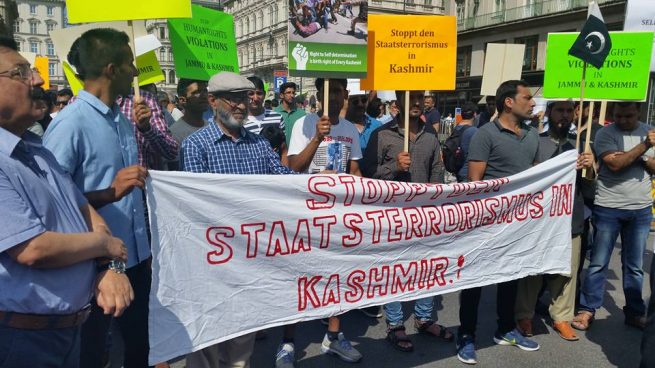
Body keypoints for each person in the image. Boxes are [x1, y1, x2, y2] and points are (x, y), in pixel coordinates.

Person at [0, 35, 132, 368]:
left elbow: (82, 209)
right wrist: (105, 244)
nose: (39, 80)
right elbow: (34, 249)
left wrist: (106, 266)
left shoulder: (36, 148)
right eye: (20, 73)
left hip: (67, 332)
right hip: (21, 341)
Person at [43, 28, 153, 368]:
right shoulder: (70, 124)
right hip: (93, 267)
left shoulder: (121, 119)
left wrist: (141, 249)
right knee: (92, 353)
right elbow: (49, 203)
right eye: (130, 64)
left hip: (133, 261)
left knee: (140, 347)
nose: (136, 72)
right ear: (111, 69)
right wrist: (111, 192)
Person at [181, 71, 295, 368]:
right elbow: (197, 206)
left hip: (249, 261)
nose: (242, 105)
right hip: (212, 261)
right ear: (213, 101)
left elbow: (284, 181)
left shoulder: (258, 145)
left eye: (244, 97)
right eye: (233, 98)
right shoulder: (196, 146)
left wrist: (322, 185)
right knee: (206, 345)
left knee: (240, 347)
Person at [456, 80, 541, 365]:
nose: (532, 103)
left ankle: (505, 329)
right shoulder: (485, 134)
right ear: (508, 102)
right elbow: (474, 182)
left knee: (511, 276)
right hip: (487, 223)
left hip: (517, 223)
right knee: (475, 281)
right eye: (527, 97)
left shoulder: (532, 135)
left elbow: (538, 173)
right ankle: (466, 335)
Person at [362, 90, 450, 352]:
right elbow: (367, 176)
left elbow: (437, 172)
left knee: (428, 266)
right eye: (409, 98)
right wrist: (394, 169)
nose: (416, 103)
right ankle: (395, 324)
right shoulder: (382, 135)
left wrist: (438, 206)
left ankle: (424, 318)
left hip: (425, 215)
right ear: (396, 103)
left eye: (419, 98)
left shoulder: (431, 135)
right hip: (392, 216)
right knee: (394, 270)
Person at [286, 78, 363, 364]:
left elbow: (354, 171)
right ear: (319, 94)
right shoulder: (303, 125)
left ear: (344, 96)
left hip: (339, 215)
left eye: (339, 92)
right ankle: (288, 342)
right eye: (328, 91)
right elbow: (292, 168)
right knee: (299, 276)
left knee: (338, 275)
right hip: (307, 213)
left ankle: (333, 337)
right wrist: (317, 138)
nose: (333, 96)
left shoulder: (350, 131)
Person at [514, 100, 593, 342]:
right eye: (560, 110)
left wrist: (590, 167)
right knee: (533, 270)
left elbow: (590, 187)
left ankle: (562, 318)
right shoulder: (535, 142)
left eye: (570, 111)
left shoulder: (582, 145)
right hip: (541, 219)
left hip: (571, 218)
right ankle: (524, 315)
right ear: (549, 112)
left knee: (566, 272)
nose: (565, 115)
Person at [573, 102, 655, 332]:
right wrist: (645, 146)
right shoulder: (605, 134)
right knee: (598, 263)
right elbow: (615, 164)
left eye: (629, 116)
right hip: (608, 206)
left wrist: (640, 158)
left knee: (635, 266)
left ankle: (635, 312)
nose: (623, 120)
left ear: (637, 113)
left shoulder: (648, 129)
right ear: (612, 114)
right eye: (618, 116)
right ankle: (587, 309)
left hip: (640, 209)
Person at [244, 76, 288, 166]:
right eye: (251, 94)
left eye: (259, 93)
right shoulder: (239, 121)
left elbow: (284, 150)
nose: (255, 98)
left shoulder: (277, 117)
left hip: (276, 172)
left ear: (264, 95)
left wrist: (285, 174)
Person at [168, 78, 209, 170]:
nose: (204, 95)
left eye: (205, 90)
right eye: (197, 92)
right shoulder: (174, 134)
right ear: (182, 100)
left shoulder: (212, 128)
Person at [274, 82, 306, 148]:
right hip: (280, 153)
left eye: (293, 93)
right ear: (281, 95)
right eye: (288, 93)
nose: (292, 95)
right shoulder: (274, 113)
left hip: (298, 153)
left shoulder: (302, 114)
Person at [453, 102, 478, 183]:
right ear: (474, 114)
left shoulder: (456, 128)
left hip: (458, 170)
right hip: (468, 174)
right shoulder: (474, 131)